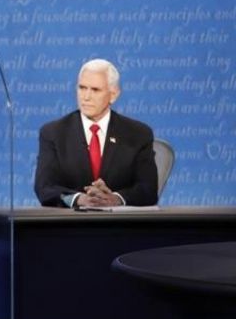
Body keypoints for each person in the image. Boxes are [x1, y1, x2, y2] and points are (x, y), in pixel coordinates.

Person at [34, 58, 158, 208]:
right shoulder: (53, 133)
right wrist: (79, 199)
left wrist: (116, 199)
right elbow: (45, 187)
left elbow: (148, 190)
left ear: (113, 95)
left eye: (95, 90)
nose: (86, 97)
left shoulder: (138, 134)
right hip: (70, 226)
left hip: (120, 227)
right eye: (82, 88)